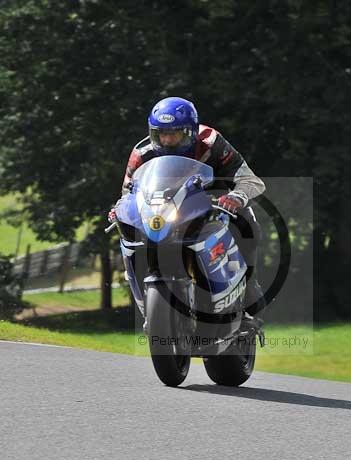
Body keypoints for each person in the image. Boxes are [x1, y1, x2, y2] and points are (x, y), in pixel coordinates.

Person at [110, 96, 266, 326]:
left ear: (190, 131)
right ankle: (147, 297)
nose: (167, 140)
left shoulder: (212, 143)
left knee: (247, 221)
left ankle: (247, 285)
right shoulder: (142, 153)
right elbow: (128, 192)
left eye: (174, 133)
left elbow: (251, 180)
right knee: (128, 233)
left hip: (211, 204)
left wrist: (236, 196)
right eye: (160, 133)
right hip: (164, 213)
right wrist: (120, 209)